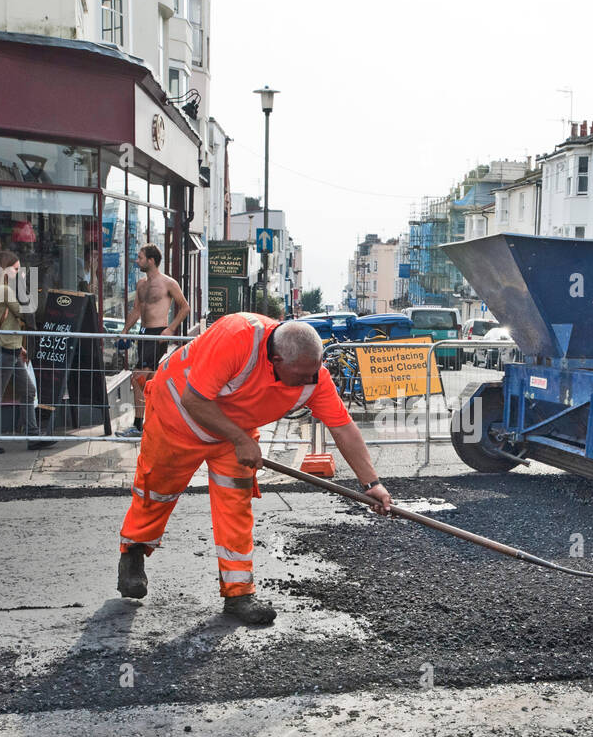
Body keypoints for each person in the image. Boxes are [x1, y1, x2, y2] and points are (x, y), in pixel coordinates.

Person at [117, 313, 394, 625]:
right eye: (301, 375)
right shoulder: (236, 338)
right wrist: (239, 438)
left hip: (233, 431)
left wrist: (371, 484)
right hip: (178, 417)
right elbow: (193, 399)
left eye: (313, 373)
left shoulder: (314, 377)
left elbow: (343, 427)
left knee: (236, 505)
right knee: (157, 491)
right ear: (275, 360)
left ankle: (239, 595)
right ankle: (133, 553)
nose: (310, 381)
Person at [0, 251, 57, 455]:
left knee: (27, 391)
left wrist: (20, 347)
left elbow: (8, 321)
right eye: (16, 269)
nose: (20, 273)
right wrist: (27, 287)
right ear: (4, 269)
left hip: (10, 349)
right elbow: (26, 312)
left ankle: (32, 436)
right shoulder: (5, 290)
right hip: (5, 352)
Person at [119, 243, 190, 437]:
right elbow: (137, 310)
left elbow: (185, 307)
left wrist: (170, 329)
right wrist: (126, 329)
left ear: (151, 260)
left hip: (158, 334)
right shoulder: (141, 284)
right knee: (149, 382)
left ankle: (137, 425)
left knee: (137, 378)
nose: (137, 260)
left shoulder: (168, 283)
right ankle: (154, 425)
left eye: (140, 257)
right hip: (143, 333)